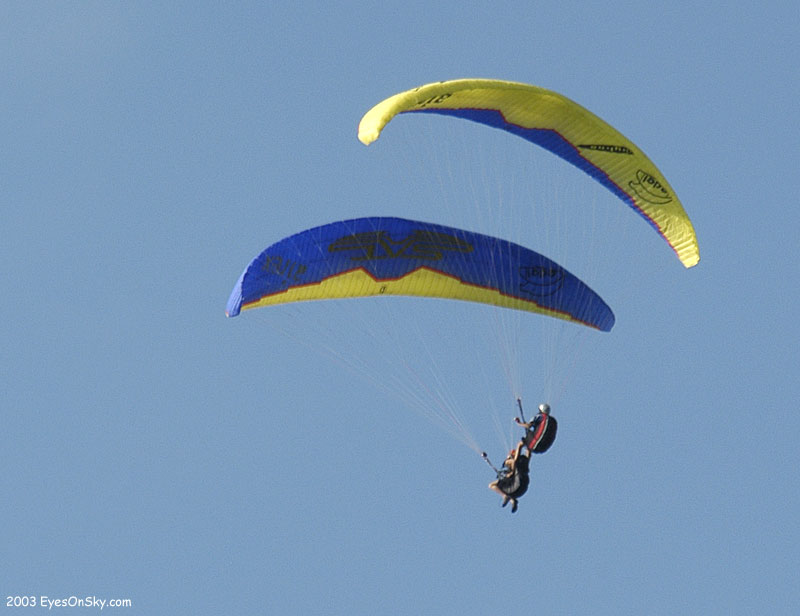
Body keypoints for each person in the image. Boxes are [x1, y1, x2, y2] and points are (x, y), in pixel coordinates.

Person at [488, 440, 530, 513]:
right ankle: (511, 500)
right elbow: (528, 454)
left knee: (491, 485)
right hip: (523, 487)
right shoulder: (525, 461)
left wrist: (520, 445)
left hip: (517, 487)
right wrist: (528, 446)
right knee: (500, 484)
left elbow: (514, 460)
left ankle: (505, 496)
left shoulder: (513, 462)